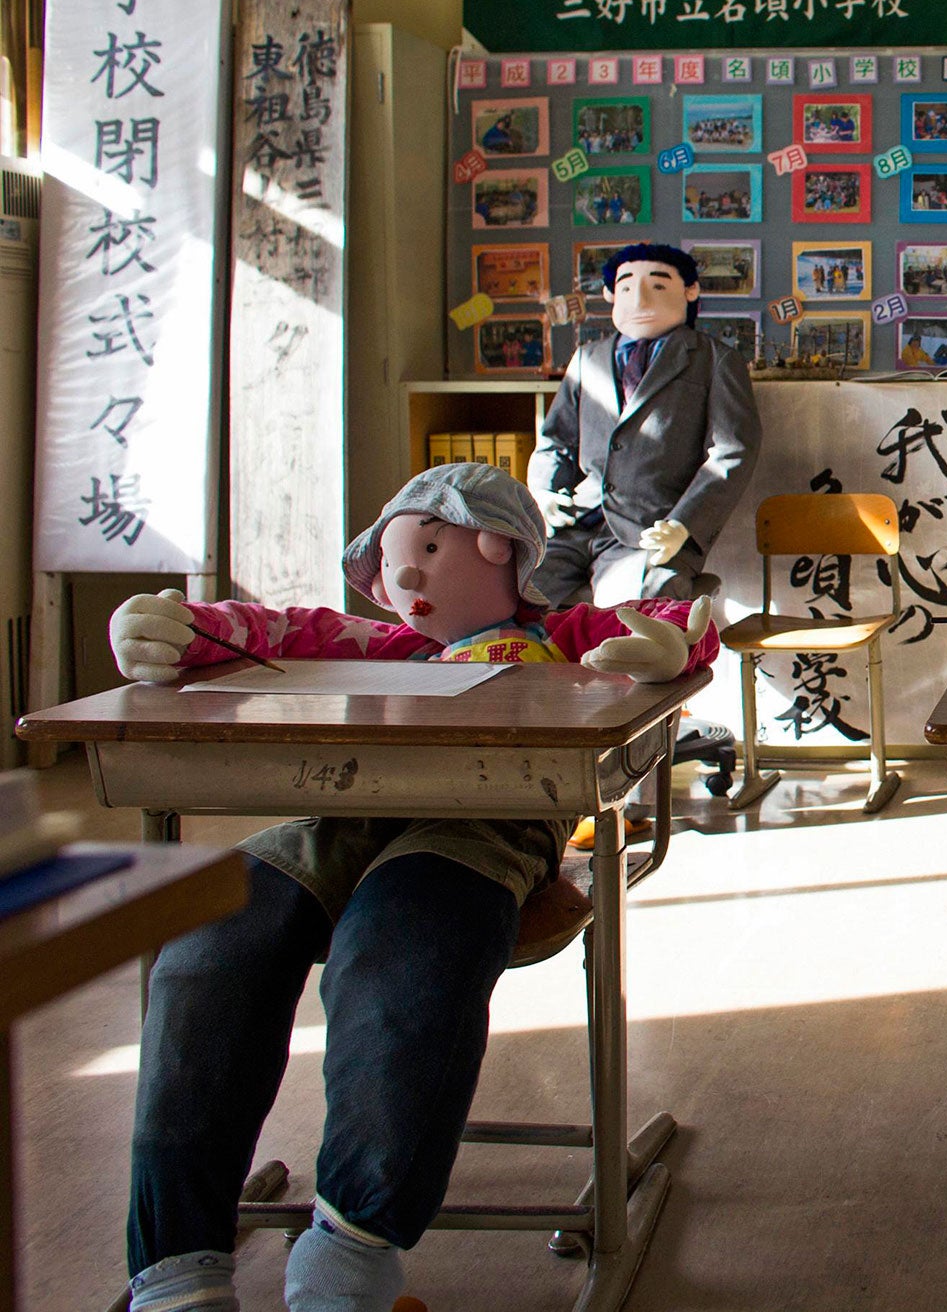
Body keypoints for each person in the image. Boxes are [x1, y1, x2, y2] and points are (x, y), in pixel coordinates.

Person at [111, 464, 720, 1312]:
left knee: (401, 950)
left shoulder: (559, 631)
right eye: (395, 559)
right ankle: (177, 1266)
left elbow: (666, 619)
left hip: (487, 824)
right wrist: (180, 630)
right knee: (212, 940)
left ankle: (350, 1248)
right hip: (339, 815)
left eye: (430, 549)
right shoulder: (385, 644)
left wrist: (671, 644)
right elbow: (273, 631)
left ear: (499, 549)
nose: (405, 578)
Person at [530, 244, 761, 609]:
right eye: (624, 287)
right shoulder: (587, 359)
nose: (637, 298)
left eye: (657, 286)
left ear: (690, 291)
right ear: (609, 295)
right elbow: (556, 439)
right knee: (512, 597)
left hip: (653, 531)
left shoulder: (715, 360)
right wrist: (544, 494)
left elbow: (732, 451)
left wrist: (684, 524)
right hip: (574, 524)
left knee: (633, 616)